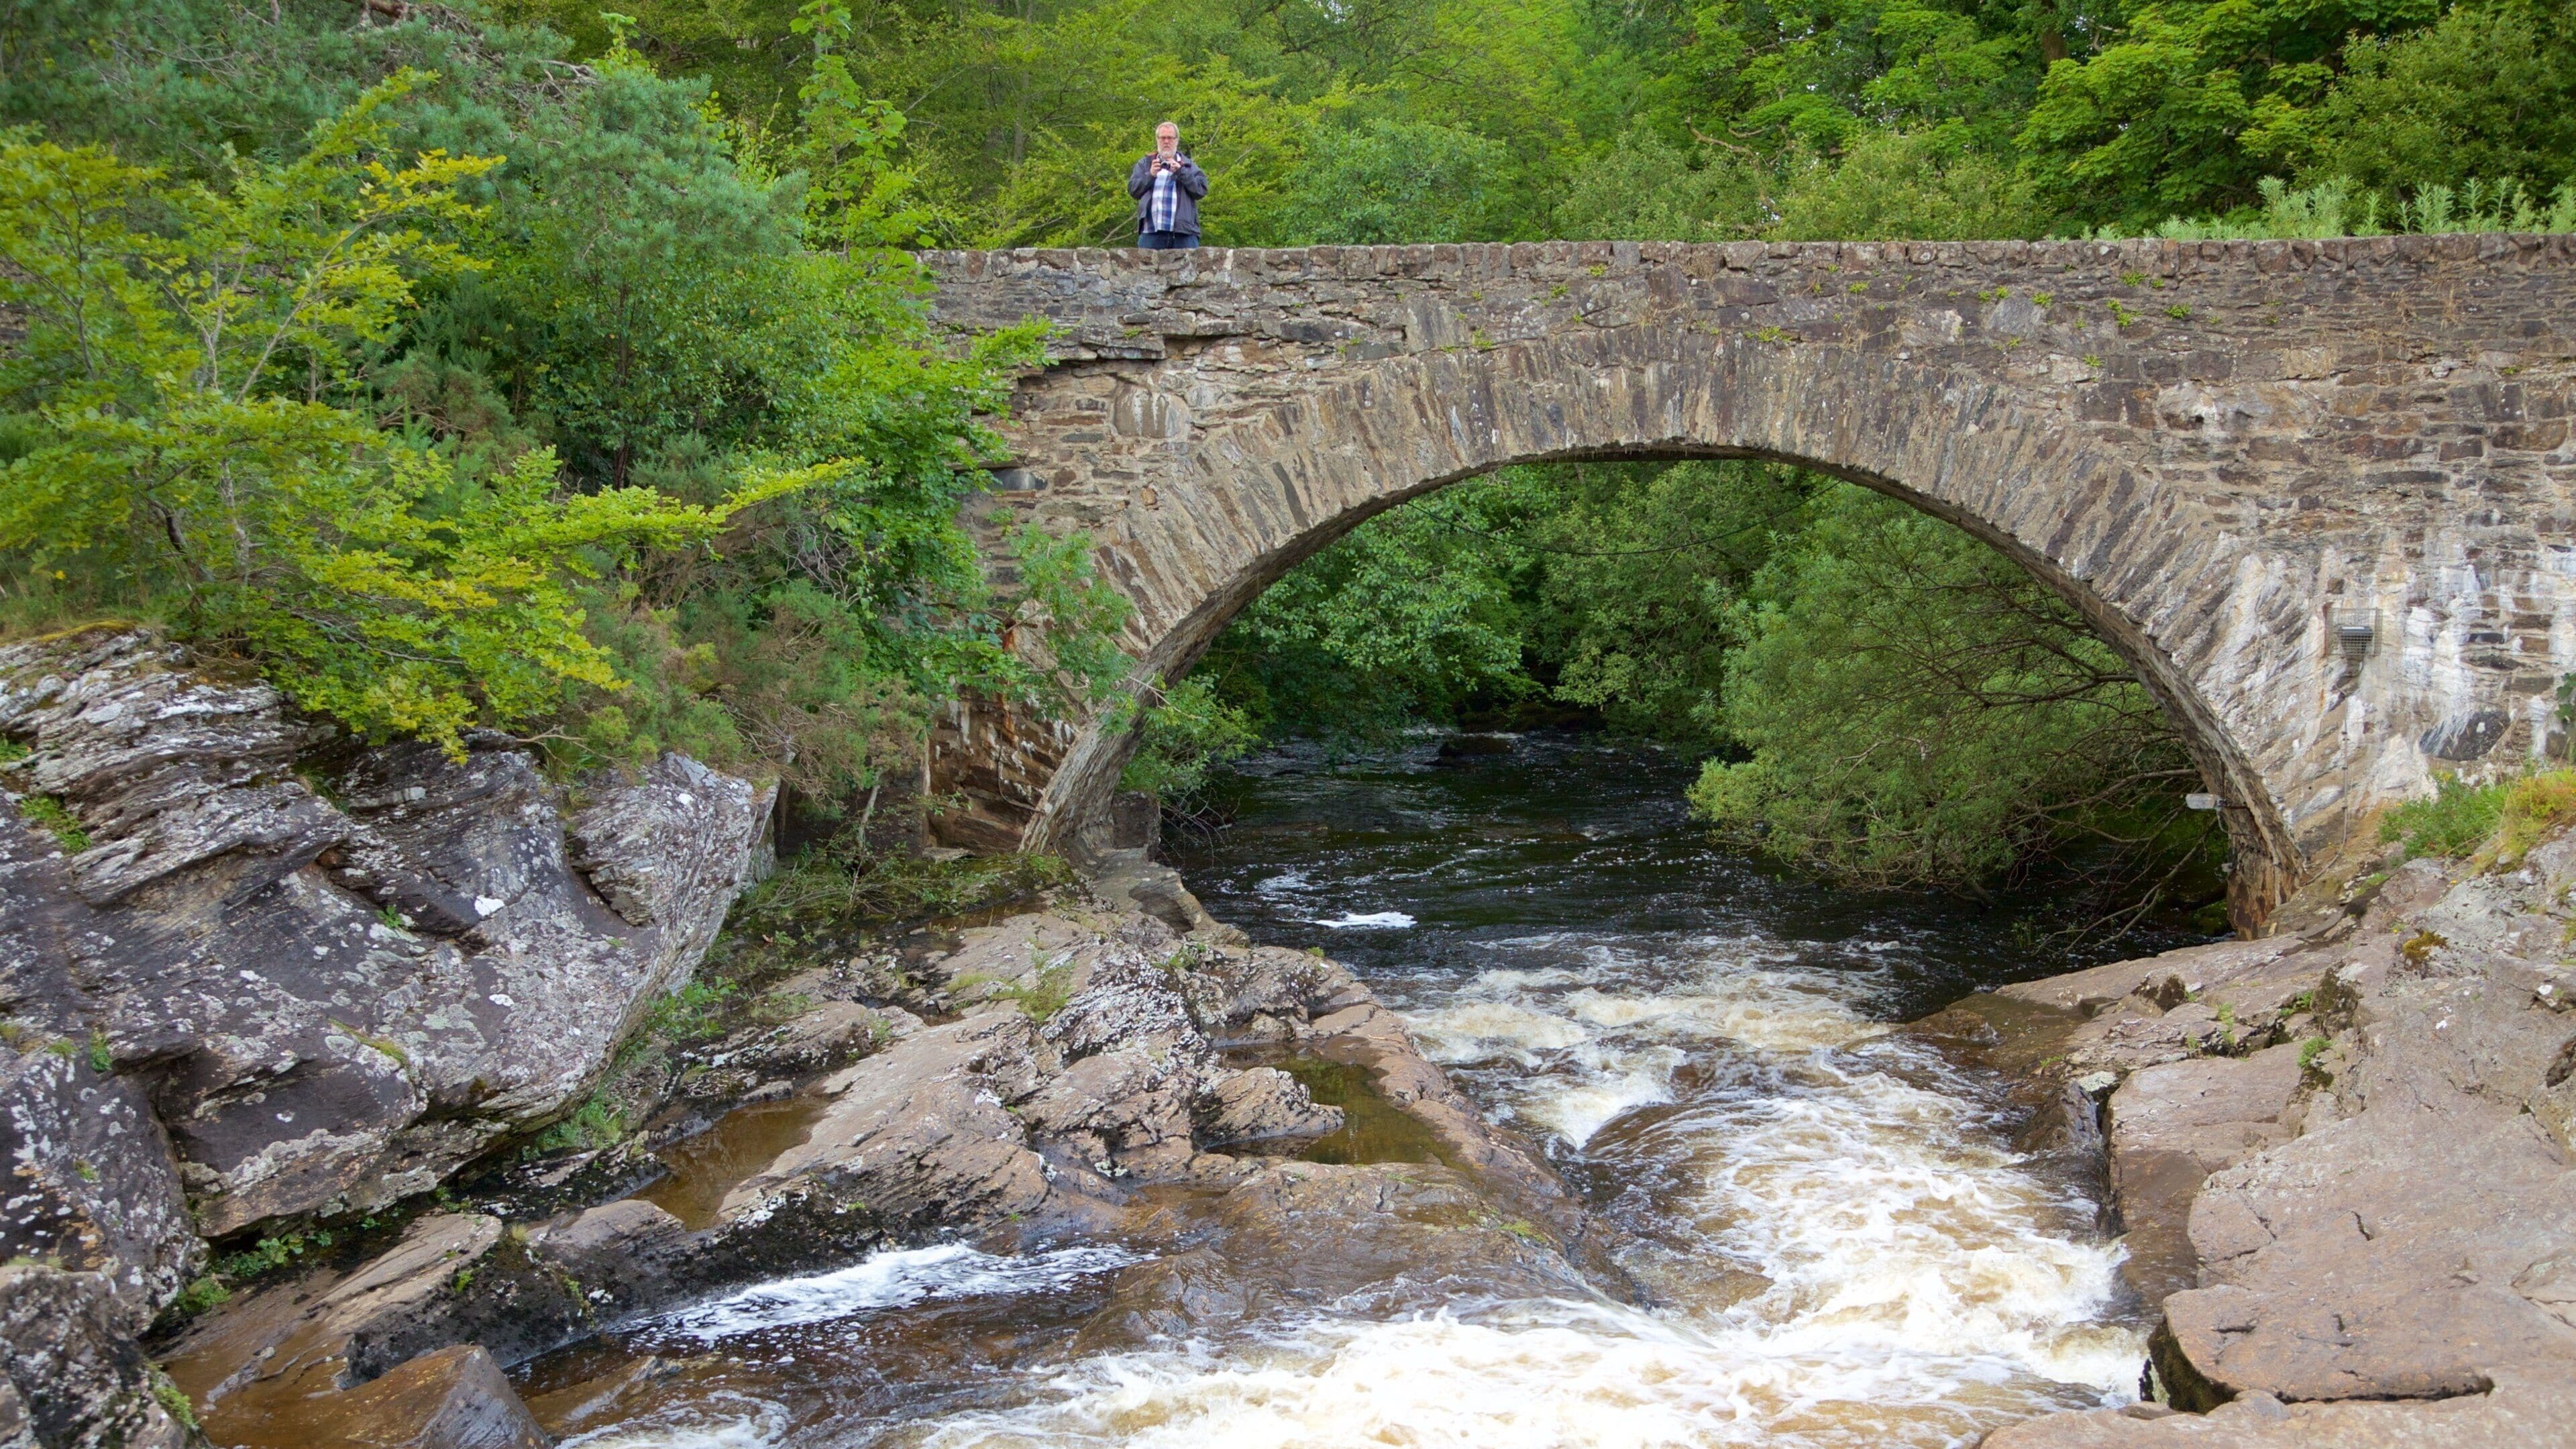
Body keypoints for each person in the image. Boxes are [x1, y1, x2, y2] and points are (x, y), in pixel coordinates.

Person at [1128, 121, 1207, 250]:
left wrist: (1181, 172)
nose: (1166, 142)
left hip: (1184, 233)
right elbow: (1133, 190)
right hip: (1151, 232)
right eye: (1163, 138)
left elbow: (1201, 190)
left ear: (1177, 141)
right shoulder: (1145, 164)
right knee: (1146, 269)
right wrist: (1150, 175)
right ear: (1157, 140)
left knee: (1188, 269)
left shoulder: (1187, 165)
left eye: (1170, 138)